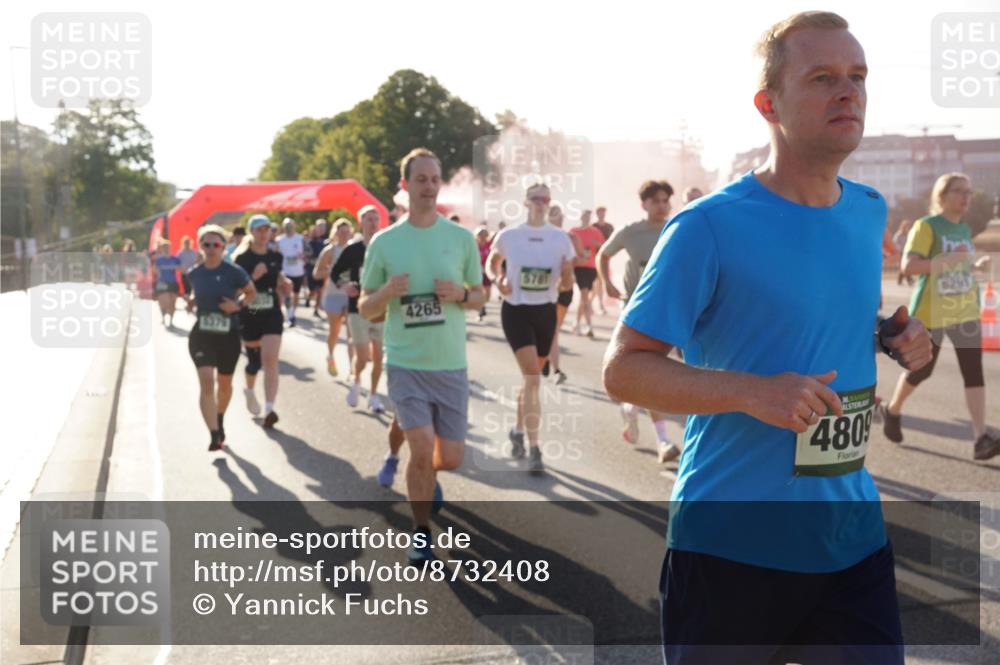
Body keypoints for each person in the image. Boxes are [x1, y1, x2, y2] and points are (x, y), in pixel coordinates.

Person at [602, 12, 933, 664]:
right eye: (822, 78)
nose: (849, 92)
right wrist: (754, 393)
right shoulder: (709, 226)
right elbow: (624, 369)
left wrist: (890, 334)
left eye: (858, 76)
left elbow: (815, 315)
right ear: (768, 104)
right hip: (732, 545)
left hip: (850, 537)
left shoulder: (868, 211)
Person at [359, 147, 485, 564]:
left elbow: (481, 294)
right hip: (405, 362)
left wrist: (462, 295)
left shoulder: (461, 238)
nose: (429, 186)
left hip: (449, 364)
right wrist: (387, 293)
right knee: (420, 448)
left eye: (434, 179)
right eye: (421, 179)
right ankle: (421, 533)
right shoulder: (385, 242)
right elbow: (365, 307)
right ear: (405, 186)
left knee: (448, 457)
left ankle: (427, 476)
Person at [881, 173, 998, 460]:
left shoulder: (965, 230)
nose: (965, 197)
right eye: (958, 191)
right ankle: (892, 409)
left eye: (968, 191)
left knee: (973, 372)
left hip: (965, 310)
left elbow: (959, 266)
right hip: (931, 313)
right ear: (941, 196)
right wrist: (950, 259)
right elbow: (909, 267)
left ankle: (980, 438)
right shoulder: (926, 226)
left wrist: (974, 266)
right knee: (922, 370)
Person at [487, 182, 575, 474]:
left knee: (530, 381)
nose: (541, 203)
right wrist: (498, 280)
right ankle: (535, 448)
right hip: (516, 311)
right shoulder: (510, 235)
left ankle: (516, 429)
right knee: (534, 379)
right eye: (536, 199)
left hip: (545, 312)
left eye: (545, 199)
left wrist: (566, 275)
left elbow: (567, 284)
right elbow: (492, 263)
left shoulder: (561, 239)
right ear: (526, 203)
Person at [597, 180, 679, 462]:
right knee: (652, 371)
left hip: (672, 310)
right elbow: (603, 255)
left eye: (665, 200)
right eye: (655, 200)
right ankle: (664, 441)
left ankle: (631, 408)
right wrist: (607, 283)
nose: (661, 205)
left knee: (672, 373)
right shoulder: (631, 232)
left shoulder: (679, 229)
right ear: (643, 204)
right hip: (637, 310)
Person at [186, 225, 255, 451]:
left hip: (228, 335)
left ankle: (220, 416)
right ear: (200, 247)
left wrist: (237, 305)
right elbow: (194, 293)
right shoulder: (194, 273)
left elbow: (251, 293)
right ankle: (214, 433)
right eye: (206, 244)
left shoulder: (233, 272)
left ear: (224, 247)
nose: (211, 248)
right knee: (206, 382)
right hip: (202, 335)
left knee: (224, 385)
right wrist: (191, 300)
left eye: (216, 244)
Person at [234, 215, 289, 429]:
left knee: (270, 360)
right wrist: (253, 278)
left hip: (271, 313)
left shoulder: (275, 256)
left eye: (267, 229)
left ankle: (269, 408)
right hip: (250, 314)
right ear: (252, 232)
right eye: (259, 230)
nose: (264, 233)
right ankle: (249, 391)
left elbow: (277, 280)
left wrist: (285, 283)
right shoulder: (242, 259)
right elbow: (236, 290)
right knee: (254, 363)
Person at [330, 206, 386, 413]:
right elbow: (336, 272)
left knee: (379, 356)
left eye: (375, 219)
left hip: (381, 307)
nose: (372, 223)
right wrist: (345, 286)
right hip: (357, 308)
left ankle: (373, 395)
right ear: (361, 223)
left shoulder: (384, 247)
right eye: (368, 219)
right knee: (362, 355)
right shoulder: (353, 249)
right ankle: (356, 380)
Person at [545, 205, 583, 384]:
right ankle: (555, 368)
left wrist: (574, 259)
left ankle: (550, 363)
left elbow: (581, 257)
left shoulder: (570, 237)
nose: (558, 219)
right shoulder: (541, 237)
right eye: (554, 216)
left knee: (553, 329)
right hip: (546, 288)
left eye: (560, 217)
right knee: (550, 330)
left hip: (565, 288)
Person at [313, 219, 355, 375]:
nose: (344, 235)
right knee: (335, 332)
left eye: (347, 231)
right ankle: (330, 356)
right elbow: (316, 274)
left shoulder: (355, 249)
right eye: (341, 232)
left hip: (350, 295)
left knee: (351, 332)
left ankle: (353, 368)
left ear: (350, 232)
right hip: (333, 295)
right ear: (335, 233)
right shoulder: (329, 251)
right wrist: (331, 271)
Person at [570, 209, 605, 337]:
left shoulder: (595, 232)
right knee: (584, 295)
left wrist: (597, 244)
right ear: (580, 217)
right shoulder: (574, 232)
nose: (586, 219)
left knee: (585, 298)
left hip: (591, 267)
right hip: (579, 266)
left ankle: (576, 322)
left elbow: (604, 245)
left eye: (589, 217)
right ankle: (589, 326)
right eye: (585, 216)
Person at [277, 218, 307, 326]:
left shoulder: (300, 239)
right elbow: (276, 255)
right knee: (287, 294)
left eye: (290, 225)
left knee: (296, 294)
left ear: (294, 226)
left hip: (298, 271)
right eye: (286, 225)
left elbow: (309, 252)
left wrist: (303, 256)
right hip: (286, 272)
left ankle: (293, 312)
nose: (288, 227)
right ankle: (290, 315)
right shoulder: (279, 240)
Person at [151, 239, 182, 328]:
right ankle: (163, 317)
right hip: (162, 282)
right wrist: (158, 270)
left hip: (173, 282)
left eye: (168, 247)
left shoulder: (175, 259)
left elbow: (181, 270)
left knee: (172, 302)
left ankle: (171, 321)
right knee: (163, 301)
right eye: (164, 248)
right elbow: (154, 270)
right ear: (162, 249)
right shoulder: (159, 259)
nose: (166, 249)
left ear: (170, 248)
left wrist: (176, 268)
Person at [591, 206, 614, 315]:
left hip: (605, 257)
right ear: (597, 214)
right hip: (594, 258)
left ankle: (593, 303)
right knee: (598, 282)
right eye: (600, 213)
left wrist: (601, 244)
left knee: (601, 281)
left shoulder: (609, 227)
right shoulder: (593, 227)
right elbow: (590, 241)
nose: (602, 215)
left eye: (603, 213)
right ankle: (598, 304)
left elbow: (612, 242)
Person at [305, 219, 329, 317]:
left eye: (323, 227)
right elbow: (306, 253)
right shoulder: (311, 240)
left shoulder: (328, 241)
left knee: (320, 289)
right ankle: (309, 297)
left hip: (322, 268)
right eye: (319, 226)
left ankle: (316, 308)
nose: (321, 229)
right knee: (312, 290)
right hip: (311, 268)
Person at [176, 235, 200, 311]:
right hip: (185, 274)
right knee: (187, 290)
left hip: (194, 274)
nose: (187, 244)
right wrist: (181, 270)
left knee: (194, 289)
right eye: (186, 243)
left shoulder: (194, 252)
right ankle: (189, 303)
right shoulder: (180, 253)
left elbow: (197, 262)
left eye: (188, 242)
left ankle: (191, 303)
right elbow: (177, 264)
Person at [476, 225, 493, 321]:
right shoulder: (474, 245)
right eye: (480, 234)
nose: (482, 236)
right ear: (477, 235)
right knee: (479, 291)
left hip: (487, 272)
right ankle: (480, 309)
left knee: (488, 294)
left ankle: (483, 304)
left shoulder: (490, 245)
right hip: (477, 272)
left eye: (484, 234)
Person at [892, 219, 915, 286]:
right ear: (903, 226)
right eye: (906, 226)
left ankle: (902, 280)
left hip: (907, 252)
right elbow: (895, 243)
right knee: (904, 266)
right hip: (900, 252)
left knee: (904, 266)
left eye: (909, 226)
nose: (908, 228)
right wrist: (898, 249)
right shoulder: (899, 234)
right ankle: (909, 279)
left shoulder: (909, 234)